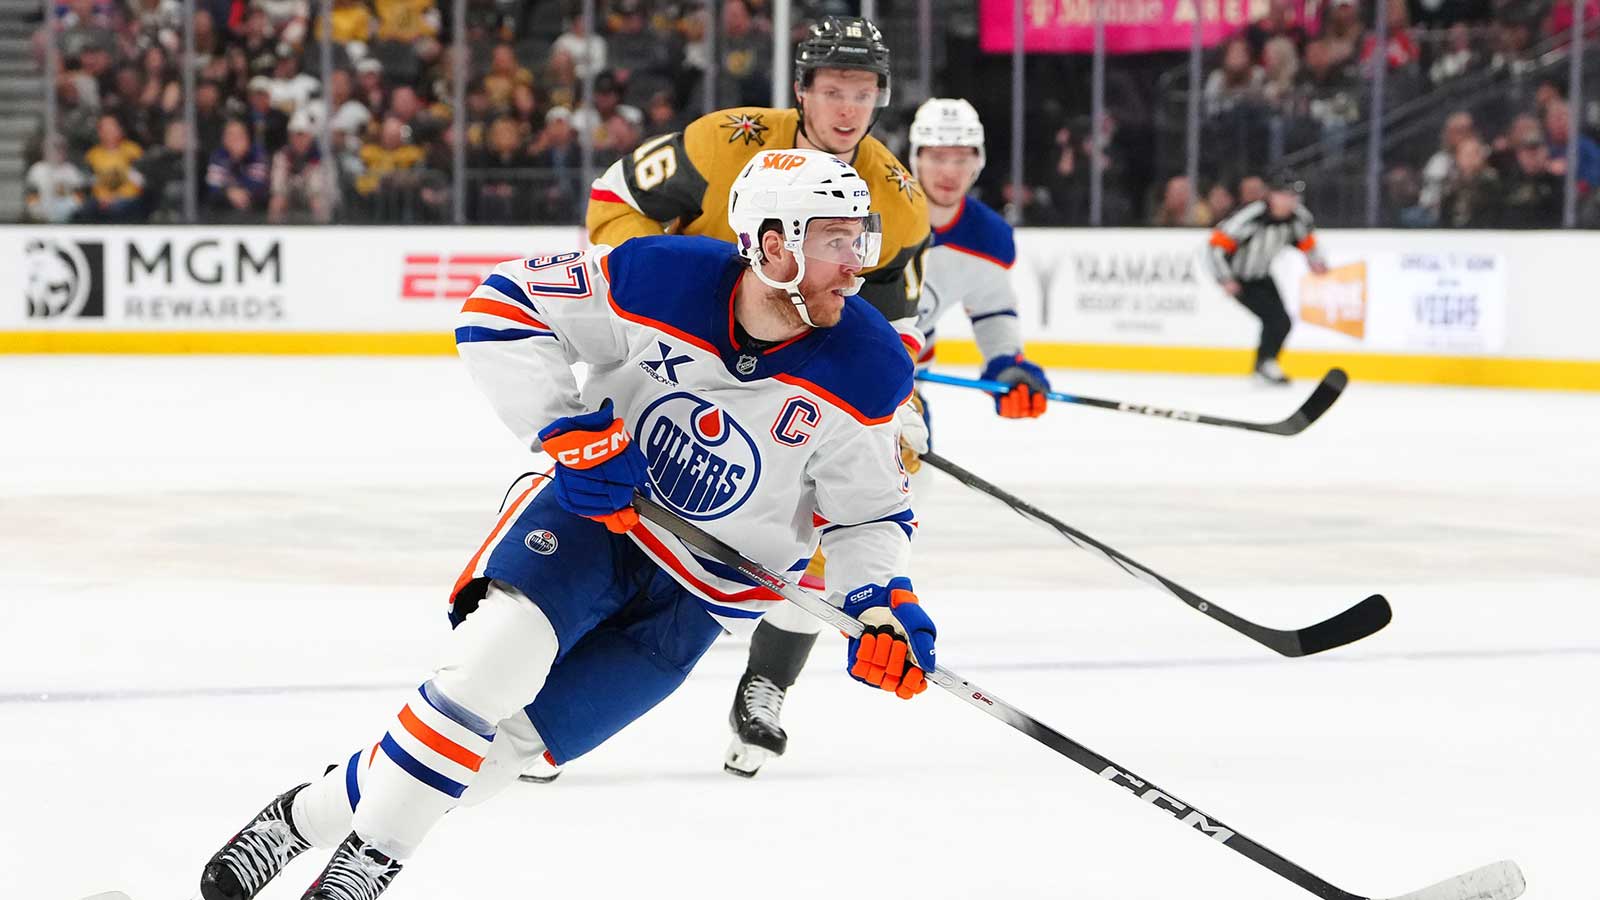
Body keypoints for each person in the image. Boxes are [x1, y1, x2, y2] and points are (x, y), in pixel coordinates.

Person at [195, 148, 936, 900]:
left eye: (861, 239)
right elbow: (502, 305)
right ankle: (370, 864)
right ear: (774, 244)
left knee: (505, 753)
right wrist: (570, 434)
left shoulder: (869, 364)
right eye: (837, 241)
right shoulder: (660, 276)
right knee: (484, 674)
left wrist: (879, 601)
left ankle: (301, 817)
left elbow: (868, 513)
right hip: (594, 523)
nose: (858, 265)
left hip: (700, 599)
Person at [582, 15, 931, 779]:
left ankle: (767, 683)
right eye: (833, 90)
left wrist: (896, 408)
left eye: (863, 93)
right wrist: (679, 292)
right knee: (612, 507)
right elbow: (615, 195)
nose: (847, 109)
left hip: (788, 388)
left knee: (827, 518)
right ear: (801, 91)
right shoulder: (726, 141)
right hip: (685, 361)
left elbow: (893, 326)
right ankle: (545, 674)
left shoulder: (899, 202)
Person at [907, 97, 1051, 430]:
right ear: (916, 158)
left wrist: (1006, 366)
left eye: (961, 158)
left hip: (906, 387)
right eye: (937, 157)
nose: (949, 171)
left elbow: (992, 311)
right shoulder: (873, 213)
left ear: (978, 161)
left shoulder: (989, 237)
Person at [1205, 171, 1328, 386]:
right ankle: (1265, 363)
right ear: (1271, 195)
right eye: (1285, 195)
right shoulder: (1250, 216)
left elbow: (1307, 241)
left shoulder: (1298, 217)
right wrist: (1225, 278)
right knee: (1275, 319)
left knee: (1281, 321)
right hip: (1239, 278)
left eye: (1294, 196)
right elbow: (1215, 246)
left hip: (1262, 276)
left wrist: (1315, 261)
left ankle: (1264, 363)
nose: (1290, 201)